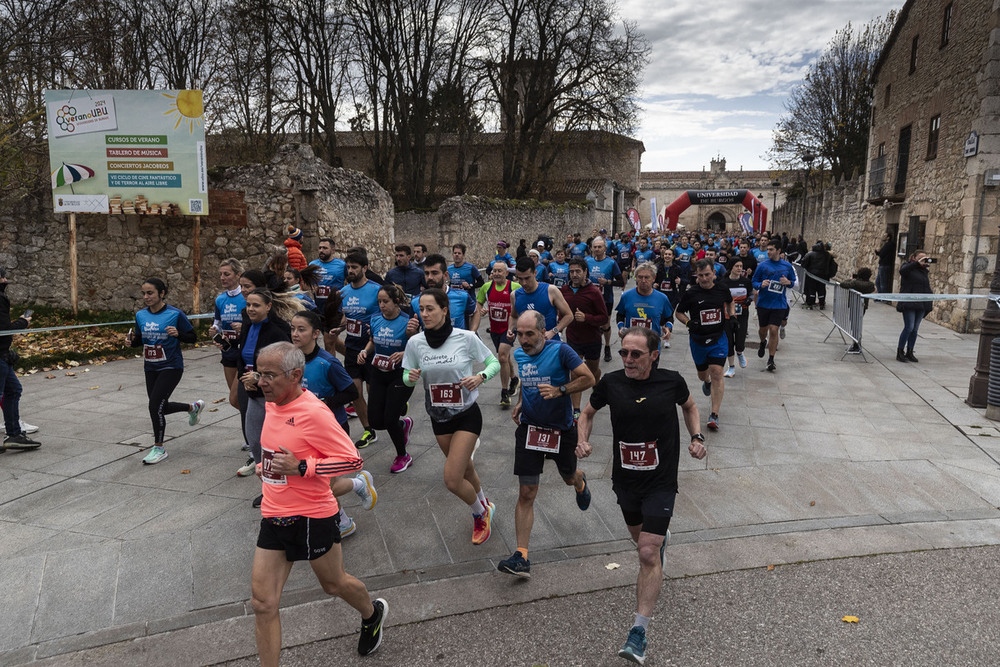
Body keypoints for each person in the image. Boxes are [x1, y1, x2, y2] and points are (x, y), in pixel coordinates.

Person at [249, 342, 386, 665]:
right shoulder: (272, 402)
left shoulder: (312, 412)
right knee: (262, 603)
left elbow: (352, 460)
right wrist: (265, 466)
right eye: (259, 373)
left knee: (333, 583)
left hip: (312, 515)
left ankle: (371, 613)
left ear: (296, 375)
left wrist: (302, 468)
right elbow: (281, 446)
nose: (261, 381)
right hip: (274, 513)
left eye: (269, 375)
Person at [576, 327, 706, 665]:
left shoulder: (671, 381)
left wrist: (697, 437)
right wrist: (583, 439)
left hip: (661, 481)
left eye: (636, 354)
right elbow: (587, 413)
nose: (628, 359)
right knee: (641, 542)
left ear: (654, 355)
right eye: (624, 353)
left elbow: (690, 407)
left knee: (647, 552)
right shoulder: (612, 383)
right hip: (626, 481)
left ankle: (638, 632)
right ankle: (657, 544)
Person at [497, 311, 595, 577]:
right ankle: (521, 556)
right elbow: (528, 386)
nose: (524, 340)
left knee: (567, 477)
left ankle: (580, 481)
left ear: (543, 332)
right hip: (530, 429)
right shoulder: (518, 355)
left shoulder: (561, 351)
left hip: (561, 431)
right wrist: (519, 403)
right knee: (527, 492)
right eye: (519, 333)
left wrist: (560, 390)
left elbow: (589, 378)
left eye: (530, 334)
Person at [403, 288, 501, 544]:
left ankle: (480, 514)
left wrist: (480, 377)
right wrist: (410, 377)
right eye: (421, 309)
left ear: (445, 310)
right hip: (438, 416)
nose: (424, 314)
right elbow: (406, 375)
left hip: (467, 414)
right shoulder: (415, 342)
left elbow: (494, 363)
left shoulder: (465, 337)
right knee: (466, 467)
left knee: (452, 479)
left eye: (430, 309)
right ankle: (485, 503)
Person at [290, 310, 378, 537]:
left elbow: (351, 392)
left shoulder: (327, 362)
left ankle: (358, 489)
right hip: (303, 429)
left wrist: (323, 403)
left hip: (332, 428)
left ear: (316, 333)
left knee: (326, 484)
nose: (295, 334)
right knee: (315, 481)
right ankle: (343, 519)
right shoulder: (290, 360)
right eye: (293, 329)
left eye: (301, 329)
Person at [127, 278, 204, 464]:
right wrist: (131, 342)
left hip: (171, 366)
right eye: (144, 293)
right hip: (150, 367)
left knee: (154, 406)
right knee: (160, 406)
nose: (146, 297)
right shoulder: (140, 315)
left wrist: (179, 334)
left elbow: (193, 337)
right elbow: (139, 339)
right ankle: (192, 407)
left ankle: (159, 448)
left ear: (162, 293)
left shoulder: (175, 314)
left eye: (150, 293)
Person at [357, 284, 416, 472]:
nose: (381, 305)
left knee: (389, 420)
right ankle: (403, 424)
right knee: (375, 421)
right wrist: (365, 351)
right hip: (378, 372)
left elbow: (418, 347)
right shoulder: (375, 320)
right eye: (379, 302)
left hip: (400, 375)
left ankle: (403, 455)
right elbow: (373, 341)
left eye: (386, 301)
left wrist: (403, 352)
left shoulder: (408, 322)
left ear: (396, 301)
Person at [675, 259, 733, 432]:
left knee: (717, 372)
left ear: (714, 273)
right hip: (698, 340)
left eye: (707, 274)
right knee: (703, 375)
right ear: (696, 276)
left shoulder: (722, 288)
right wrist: (689, 323)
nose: (704, 278)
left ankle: (714, 415)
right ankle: (706, 381)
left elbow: (730, 301)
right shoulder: (691, 293)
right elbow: (678, 312)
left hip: (718, 338)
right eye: (700, 275)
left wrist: (732, 316)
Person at [339, 251, 382, 449]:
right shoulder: (344, 291)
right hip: (352, 347)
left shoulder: (376, 290)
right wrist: (338, 328)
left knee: (374, 394)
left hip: (372, 348)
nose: (350, 271)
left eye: (354, 267)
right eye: (348, 268)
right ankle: (368, 429)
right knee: (354, 392)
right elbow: (345, 318)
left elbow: (387, 314)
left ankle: (387, 412)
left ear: (364, 268)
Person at [560, 258, 608, 420]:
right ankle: (576, 410)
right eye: (571, 271)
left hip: (592, 339)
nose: (574, 274)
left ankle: (597, 382)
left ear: (585, 272)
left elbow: (604, 317)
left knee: (592, 373)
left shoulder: (593, 292)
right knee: (576, 375)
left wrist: (586, 318)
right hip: (573, 339)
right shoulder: (564, 290)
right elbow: (560, 312)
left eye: (578, 271)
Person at [0, 267, 40, 450]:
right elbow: (4, 329)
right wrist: (23, 321)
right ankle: (14, 433)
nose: (6, 280)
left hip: (3, 355)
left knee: (14, 390)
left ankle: (14, 434)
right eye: (3, 277)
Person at [476, 262, 521, 408]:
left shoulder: (514, 287)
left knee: (501, 356)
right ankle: (514, 379)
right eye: (494, 271)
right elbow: (478, 304)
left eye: (500, 271)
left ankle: (504, 392)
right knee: (505, 358)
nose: (496, 273)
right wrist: (481, 310)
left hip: (509, 328)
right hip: (494, 329)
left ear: (507, 273)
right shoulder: (486, 287)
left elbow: (525, 302)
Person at [752, 239, 797, 372]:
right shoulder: (762, 266)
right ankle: (762, 342)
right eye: (767, 249)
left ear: (778, 251)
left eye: (771, 249)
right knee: (763, 330)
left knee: (774, 329)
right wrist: (761, 285)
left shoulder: (787, 266)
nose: (768, 252)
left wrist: (788, 281)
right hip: (764, 303)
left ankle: (771, 359)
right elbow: (754, 281)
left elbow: (794, 282)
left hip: (779, 304)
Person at [508, 257, 574, 344]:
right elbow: (514, 316)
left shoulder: (551, 290)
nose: (524, 283)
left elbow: (569, 315)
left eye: (527, 278)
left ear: (535, 273)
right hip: (528, 347)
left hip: (551, 345)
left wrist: (554, 331)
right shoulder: (514, 295)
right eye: (520, 279)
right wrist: (510, 329)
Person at [616, 262, 673, 357]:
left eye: (647, 277)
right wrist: (621, 327)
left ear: (653, 278)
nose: (643, 280)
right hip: (631, 347)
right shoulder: (626, 296)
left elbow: (669, 317)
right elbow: (620, 315)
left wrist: (668, 328)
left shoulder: (662, 298)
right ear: (636, 278)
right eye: (640, 277)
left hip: (652, 348)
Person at [410, 254, 479, 331]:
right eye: (427, 273)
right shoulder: (416, 302)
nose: (430, 277)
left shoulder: (462, 296)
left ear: (445, 275)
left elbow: (475, 312)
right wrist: (410, 331)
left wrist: (472, 333)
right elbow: (412, 332)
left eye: (434, 273)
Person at [586, 237, 624, 362]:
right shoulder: (587, 261)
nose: (597, 249)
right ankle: (592, 347)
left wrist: (607, 282)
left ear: (605, 249)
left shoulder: (611, 263)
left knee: (605, 324)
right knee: (590, 323)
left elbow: (620, 282)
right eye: (595, 247)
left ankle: (607, 346)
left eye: (599, 247)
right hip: (590, 298)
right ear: (591, 248)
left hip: (606, 299)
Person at [896, 250, 933, 363]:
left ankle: (910, 351)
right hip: (909, 303)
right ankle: (900, 351)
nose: (923, 260)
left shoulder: (924, 271)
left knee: (915, 329)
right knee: (909, 327)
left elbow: (925, 287)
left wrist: (929, 301)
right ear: (914, 257)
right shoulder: (907, 267)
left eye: (925, 258)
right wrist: (917, 264)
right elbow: (902, 271)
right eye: (921, 257)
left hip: (921, 303)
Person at [722, 260, 754, 377]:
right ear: (731, 268)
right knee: (729, 342)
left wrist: (749, 300)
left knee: (740, 341)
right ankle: (731, 367)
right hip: (727, 316)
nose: (739, 268)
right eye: (737, 266)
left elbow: (751, 293)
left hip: (742, 315)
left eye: (741, 266)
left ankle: (740, 353)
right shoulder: (724, 282)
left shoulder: (746, 281)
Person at [838, 267, 876, 354]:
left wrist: (851, 279)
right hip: (863, 306)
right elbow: (872, 288)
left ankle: (856, 345)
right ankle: (856, 343)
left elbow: (843, 284)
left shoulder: (855, 283)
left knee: (854, 326)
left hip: (854, 305)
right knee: (858, 325)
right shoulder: (870, 285)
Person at [800, 241, 836, 310]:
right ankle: (822, 303)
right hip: (823, 276)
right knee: (821, 289)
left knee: (811, 289)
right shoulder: (827, 255)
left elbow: (803, 263)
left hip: (811, 275)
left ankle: (810, 303)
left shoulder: (810, 254)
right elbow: (831, 264)